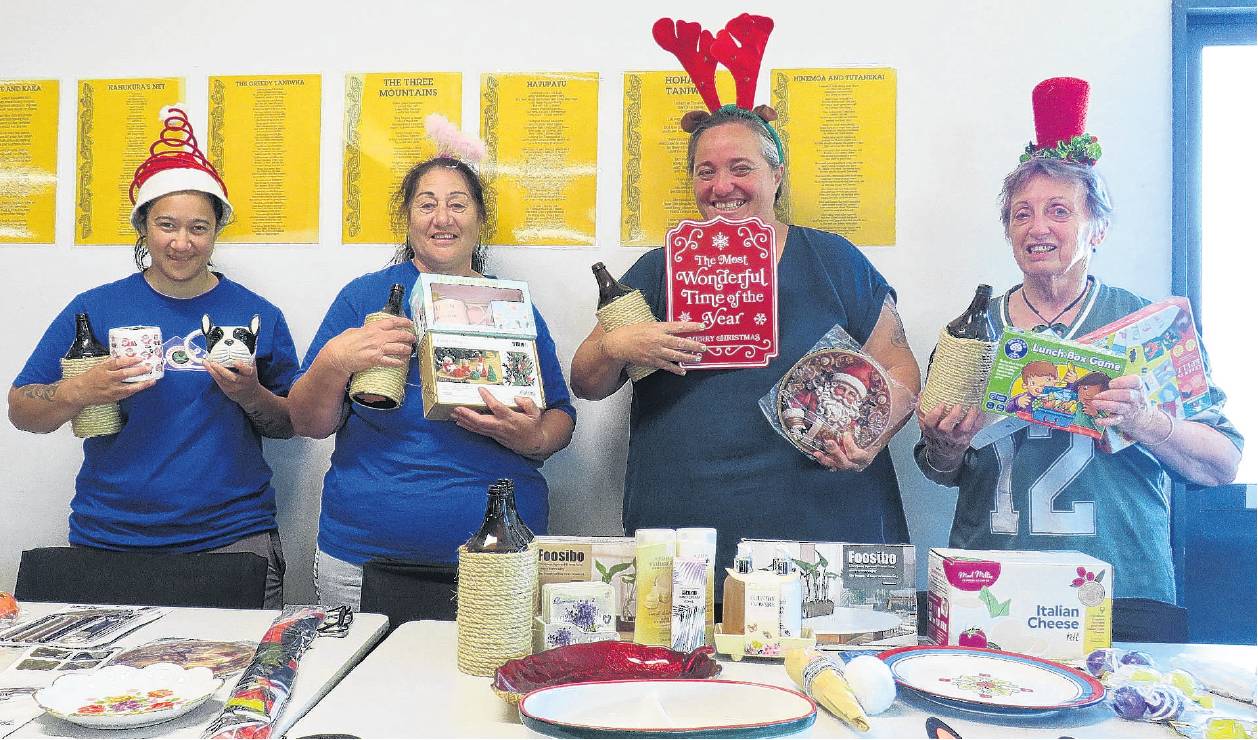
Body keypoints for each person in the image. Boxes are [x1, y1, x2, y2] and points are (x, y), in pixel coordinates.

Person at [571, 14, 921, 588]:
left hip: (823, 531)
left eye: (741, 168)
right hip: (687, 540)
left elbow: (899, 364)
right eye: (705, 172)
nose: (722, 186)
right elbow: (586, 381)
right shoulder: (660, 267)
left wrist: (874, 433)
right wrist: (617, 345)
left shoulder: (832, 259)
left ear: (776, 175)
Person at [916, 78, 1242, 623]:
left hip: (1122, 588)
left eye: (1059, 211)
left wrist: (1146, 422)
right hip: (991, 590)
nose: (1038, 227)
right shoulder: (973, 331)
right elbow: (939, 469)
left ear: (1099, 229)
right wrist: (945, 446)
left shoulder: (1149, 329)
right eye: (1022, 213)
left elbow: (1221, 465)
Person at [9, 107, 298, 607]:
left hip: (232, 540)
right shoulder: (94, 309)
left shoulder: (257, 315)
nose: (182, 243)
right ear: (143, 225)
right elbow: (21, 411)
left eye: (198, 228)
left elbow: (290, 424)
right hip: (111, 540)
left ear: (217, 231)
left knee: (239, 663)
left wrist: (249, 394)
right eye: (167, 225)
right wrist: (81, 390)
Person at [288, 147, 576, 611]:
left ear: (479, 220)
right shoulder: (363, 297)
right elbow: (307, 422)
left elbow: (561, 414)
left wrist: (534, 437)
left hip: (499, 558)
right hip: (364, 555)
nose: (443, 218)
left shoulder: (507, 303)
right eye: (427, 204)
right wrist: (334, 360)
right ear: (408, 219)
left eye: (458, 204)